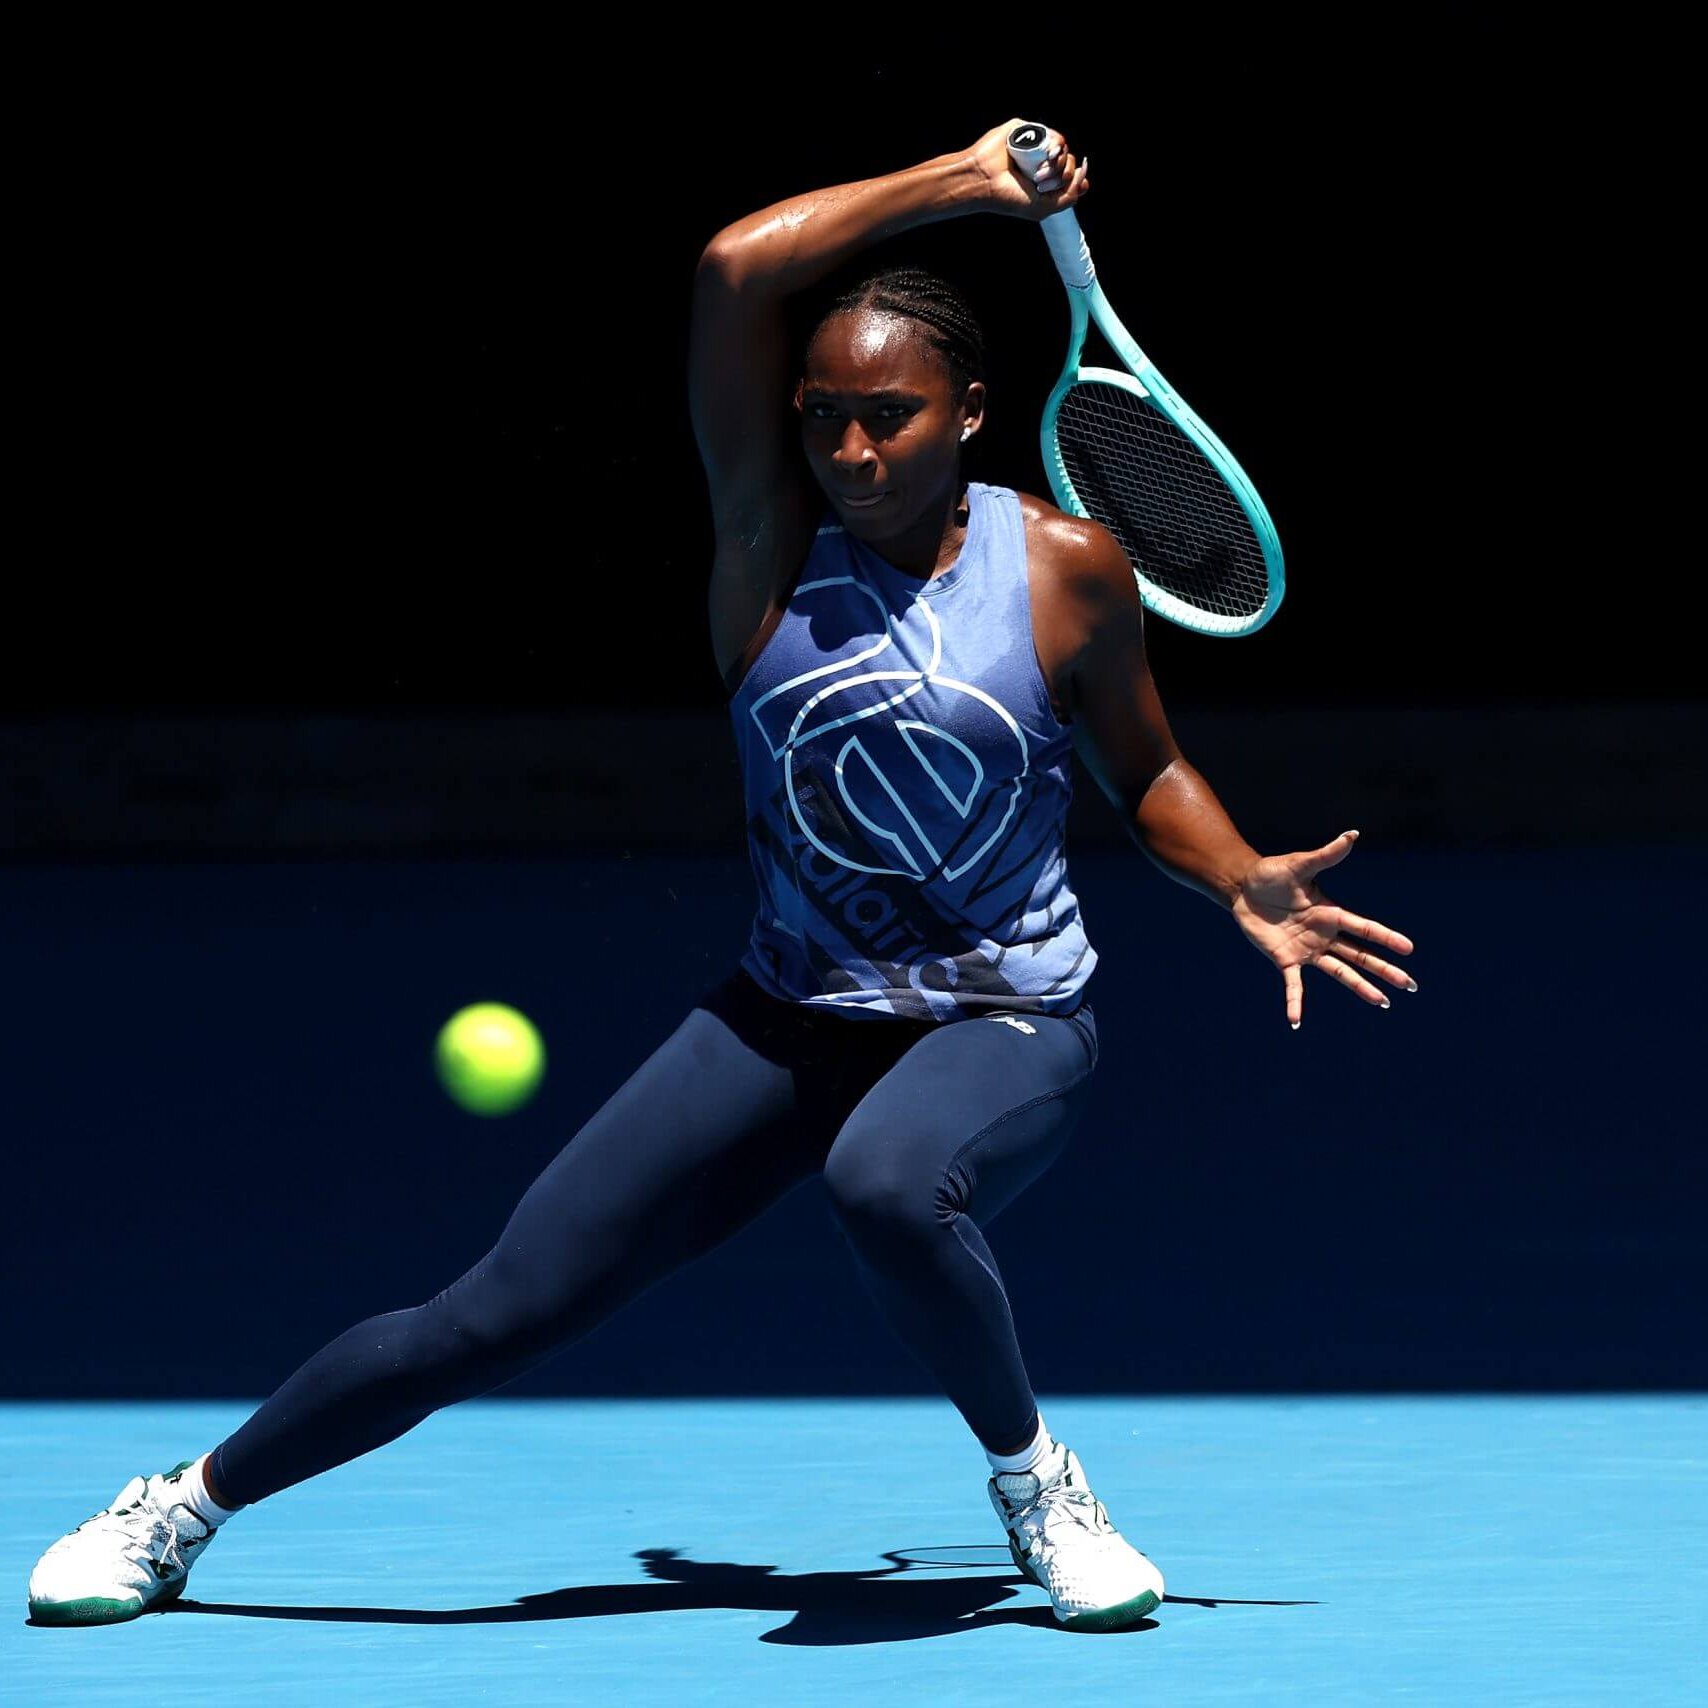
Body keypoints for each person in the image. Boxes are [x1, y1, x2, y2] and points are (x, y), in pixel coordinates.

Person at [27, 120, 1414, 1635]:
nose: (851, 449)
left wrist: (1237, 879)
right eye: (824, 418)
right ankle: (178, 1510)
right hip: (786, 1015)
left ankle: (1038, 1490)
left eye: (889, 416)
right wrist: (963, 182)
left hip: (1006, 1017)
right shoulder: (765, 555)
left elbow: (1140, 768)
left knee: (886, 1185)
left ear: (971, 412)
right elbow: (734, 268)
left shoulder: (1069, 566)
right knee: (492, 1310)